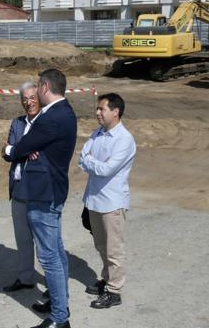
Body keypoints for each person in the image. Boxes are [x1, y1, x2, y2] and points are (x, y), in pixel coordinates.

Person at [4, 69, 77, 328]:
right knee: (56, 250)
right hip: (52, 191)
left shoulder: (51, 117)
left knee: (49, 257)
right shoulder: (65, 111)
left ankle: (59, 318)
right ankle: (60, 302)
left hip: (43, 194)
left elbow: (20, 148)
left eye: (37, 87)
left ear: (45, 87)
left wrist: (14, 149)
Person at [79, 93, 136, 309]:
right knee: (101, 245)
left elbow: (107, 169)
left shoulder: (124, 139)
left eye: (101, 109)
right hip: (94, 200)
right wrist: (92, 161)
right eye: (97, 109)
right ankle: (107, 278)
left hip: (112, 203)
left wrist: (90, 161)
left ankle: (114, 292)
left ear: (116, 111)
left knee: (114, 249)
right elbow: (81, 158)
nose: (97, 113)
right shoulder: (98, 133)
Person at [2, 82, 41, 294]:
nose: (28, 102)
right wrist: (23, 150)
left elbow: (41, 154)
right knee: (22, 238)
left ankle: (52, 286)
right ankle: (26, 277)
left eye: (32, 97)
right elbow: (6, 151)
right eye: (24, 99)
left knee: (44, 242)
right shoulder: (17, 123)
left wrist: (15, 150)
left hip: (37, 190)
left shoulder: (46, 123)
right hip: (17, 187)